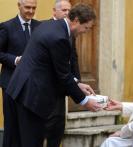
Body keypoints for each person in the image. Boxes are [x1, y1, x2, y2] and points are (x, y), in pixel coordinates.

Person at [4, 3, 102, 147]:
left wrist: (77, 84)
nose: (85, 32)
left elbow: (54, 68)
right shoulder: (60, 37)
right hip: (31, 98)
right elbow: (62, 75)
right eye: (86, 28)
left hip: (18, 91)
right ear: (75, 21)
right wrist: (84, 101)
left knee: (16, 142)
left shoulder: (48, 26)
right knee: (31, 143)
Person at [45, 1, 87, 147]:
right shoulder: (46, 28)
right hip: (47, 88)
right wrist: (83, 100)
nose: (67, 13)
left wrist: (78, 81)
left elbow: (72, 58)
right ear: (54, 11)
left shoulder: (70, 32)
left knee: (58, 125)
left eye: (69, 10)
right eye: (64, 10)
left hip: (63, 86)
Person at [0, 0, 41, 146]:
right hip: (11, 84)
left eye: (34, 8)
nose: (31, 11)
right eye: (27, 7)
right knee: (12, 127)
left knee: (29, 128)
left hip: (33, 87)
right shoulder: (6, 26)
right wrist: (15, 60)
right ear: (19, 6)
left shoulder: (40, 27)